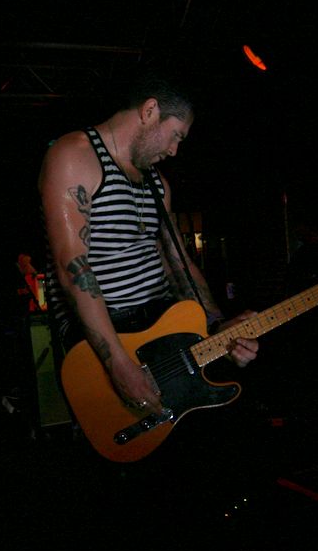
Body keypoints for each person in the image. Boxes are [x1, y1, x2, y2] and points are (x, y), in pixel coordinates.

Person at [39, 72, 259, 416]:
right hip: (108, 339)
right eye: (176, 135)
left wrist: (217, 327)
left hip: (163, 329)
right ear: (150, 111)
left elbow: (178, 262)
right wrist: (117, 363)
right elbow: (73, 269)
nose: (173, 150)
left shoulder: (158, 186)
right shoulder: (75, 156)